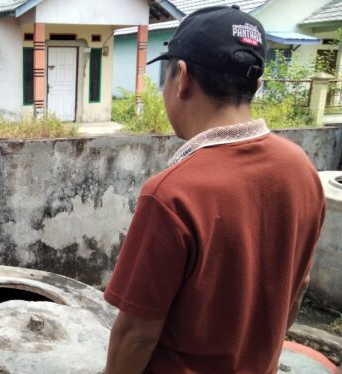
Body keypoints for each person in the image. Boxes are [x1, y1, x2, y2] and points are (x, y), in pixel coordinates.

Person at [103, 6, 326, 373]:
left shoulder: (171, 194)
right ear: (255, 84)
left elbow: (136, 334)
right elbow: (297, 287)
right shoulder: (302, 169)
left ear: (183, 79)